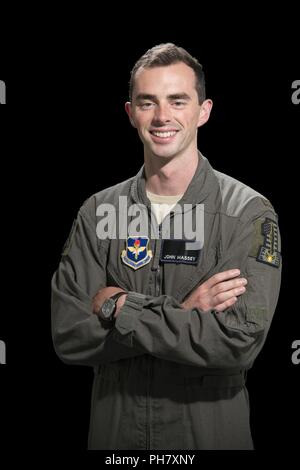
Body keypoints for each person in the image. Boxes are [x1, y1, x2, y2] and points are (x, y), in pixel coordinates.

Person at [51, 43, 281, 450]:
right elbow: (68, 335)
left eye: (178, 101)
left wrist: (121, 305)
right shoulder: (98, 211)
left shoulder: (246, 212)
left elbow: (237, 343)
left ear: (204, 111)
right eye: (147, 102)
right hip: (116, 443)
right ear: (129, 113)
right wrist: (184, 310)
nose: (162, 117)